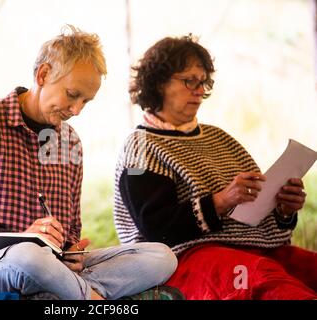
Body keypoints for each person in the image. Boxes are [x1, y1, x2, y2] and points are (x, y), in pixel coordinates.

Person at [0, 25, 179, 300]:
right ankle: (90, 298)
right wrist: (18, 237)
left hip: (52, 268)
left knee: (161, 256)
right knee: (28, 255)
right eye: (72, 95)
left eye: (86, 101)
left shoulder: (70, 142)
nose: (76, 110)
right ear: (43, 74)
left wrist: (72, 250)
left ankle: (56, 294)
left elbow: (71, 228)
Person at [114, 34, 317, 300]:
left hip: (256, 250)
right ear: (159, 82)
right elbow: (156, 229)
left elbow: (257, 212)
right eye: (189, 81)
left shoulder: (220, 138)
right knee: (267, 282)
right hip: (186, 259)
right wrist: (220, 201)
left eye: (203, 82)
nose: (199, 90)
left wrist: (282, 209)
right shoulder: (140, 148)